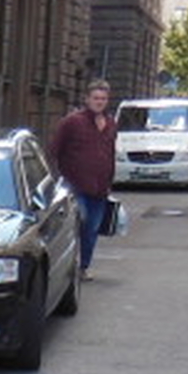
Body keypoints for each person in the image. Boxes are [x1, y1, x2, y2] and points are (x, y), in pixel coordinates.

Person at [48, 79, 120, 279]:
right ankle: (67, 265)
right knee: (81, 220)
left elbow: (110, 153)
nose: (100, 102)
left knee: (92, 230)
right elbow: (54, 150)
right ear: (87, 99)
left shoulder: (111, 123)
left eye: (103, 99)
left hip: (100, 188)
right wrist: (57, 180)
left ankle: (83, 268)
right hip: (75, 186)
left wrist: (110, 181)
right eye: (96, 98)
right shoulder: (72, 122)